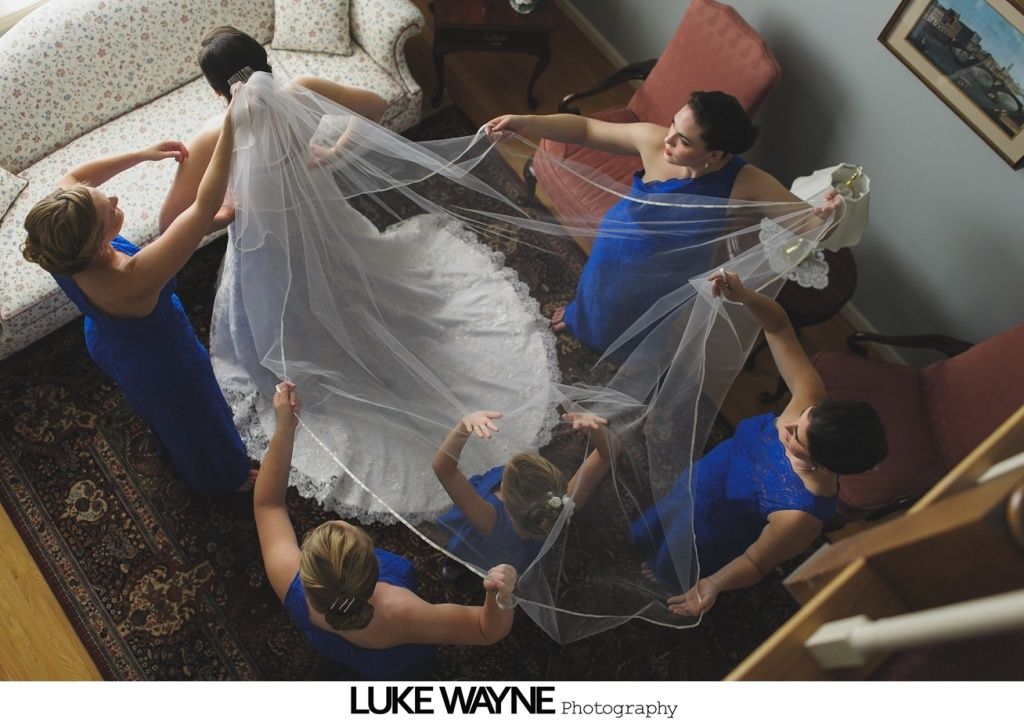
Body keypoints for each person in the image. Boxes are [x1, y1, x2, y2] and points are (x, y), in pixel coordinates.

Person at [486, 91, 841, 353]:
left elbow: (808, 227)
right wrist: (525, 122)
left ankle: (623, 347)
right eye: (673, 123)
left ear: (715, 155)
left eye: (683, 140)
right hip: (615, 248)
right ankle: (581, 318)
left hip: (665, 277)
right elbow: (586, 130)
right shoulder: (657, 141)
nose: (667, 139)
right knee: (597, 295)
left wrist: (830, 215)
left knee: (639, 323)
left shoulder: (747, 183)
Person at [21, 105, 254, 495]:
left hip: (107, 338)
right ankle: (224, 477)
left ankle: (172, 442)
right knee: (196, 411)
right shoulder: (132, 278)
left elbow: (77, 177)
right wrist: (230, 125)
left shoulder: (55, 239)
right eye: (107, 209)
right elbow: (201, 209)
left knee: (163, 411)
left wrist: (142, 153)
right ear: (97, 246)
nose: (113, 198)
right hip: (160, 357)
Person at [631, 270, 888, 616]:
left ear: (824, 463)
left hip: (712, 530)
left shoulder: (802, 515)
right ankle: (653, 542)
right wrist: (747, 296)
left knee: (672, 555)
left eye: (797, 436)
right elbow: (779, 328)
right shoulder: (808, 400)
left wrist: (715, 583)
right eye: (806, 415)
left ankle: (666, 569)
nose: (789, 422)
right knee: (666, 514)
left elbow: (755, 561)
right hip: (702, 478)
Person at [255, 383, 518, 680]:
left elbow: (268, 505)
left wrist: (284, 429)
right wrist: (500, 597)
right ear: (372, 565)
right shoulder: (400, 612)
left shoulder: (286, 579)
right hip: (398, 660)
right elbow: (486, 629)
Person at [159, 25, 389, 234]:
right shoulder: (306, 91)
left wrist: (225, 215)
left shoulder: (212, 138)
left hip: (264, 234)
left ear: (218, 91)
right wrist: (335, 152)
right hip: (317, 204)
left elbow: (169, 226)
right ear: (265, 61)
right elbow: (376, 107)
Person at [431, 408, 618, 579]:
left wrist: (465, 424)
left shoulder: (489, 519)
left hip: (474, 548)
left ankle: (456, 567)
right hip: (517, 556)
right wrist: (596, 428)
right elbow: (609, 453)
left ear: (509, 508)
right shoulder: (564, 503)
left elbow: (443, 468)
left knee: (462, 554)